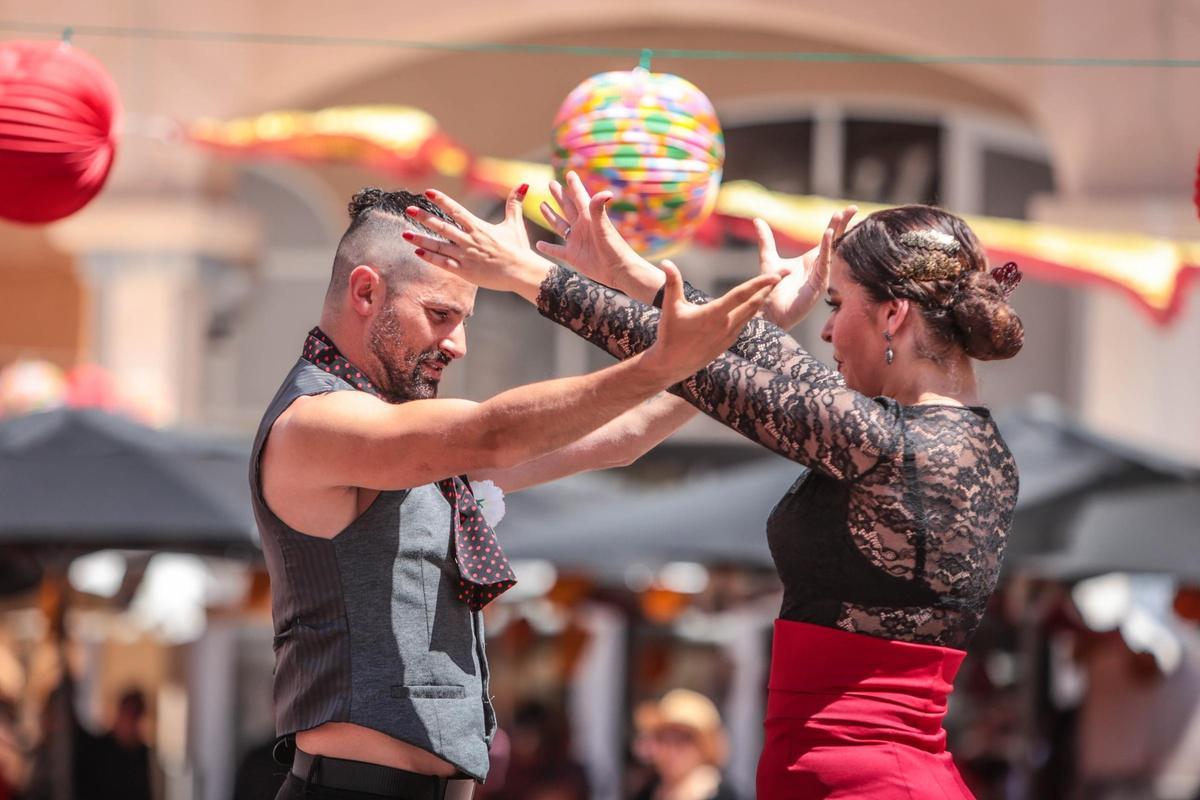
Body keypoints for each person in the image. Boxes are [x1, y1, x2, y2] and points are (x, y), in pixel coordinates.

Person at [405, 172, 1023, 799]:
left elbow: (687, 358)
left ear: (894, 314)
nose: (827, 332)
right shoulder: (964, 447)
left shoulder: (888, 442)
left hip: (868, 784)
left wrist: (527, 274)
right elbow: (750, 349)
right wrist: (621, 267)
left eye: (837, 305)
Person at [251, 185, 780, 800]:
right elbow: (493, 434)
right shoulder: (315, 423)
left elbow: (621, 437)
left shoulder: (411, 445)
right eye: (441, 315)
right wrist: (661, 361)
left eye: (464, 321)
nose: (458, 345)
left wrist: (749, 342)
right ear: (366, 291)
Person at [631, 690, 739, 800]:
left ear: (704, 748)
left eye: (682, 739)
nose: (671, 749)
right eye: (663, 738)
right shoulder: (649, 789)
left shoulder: (719, 794)